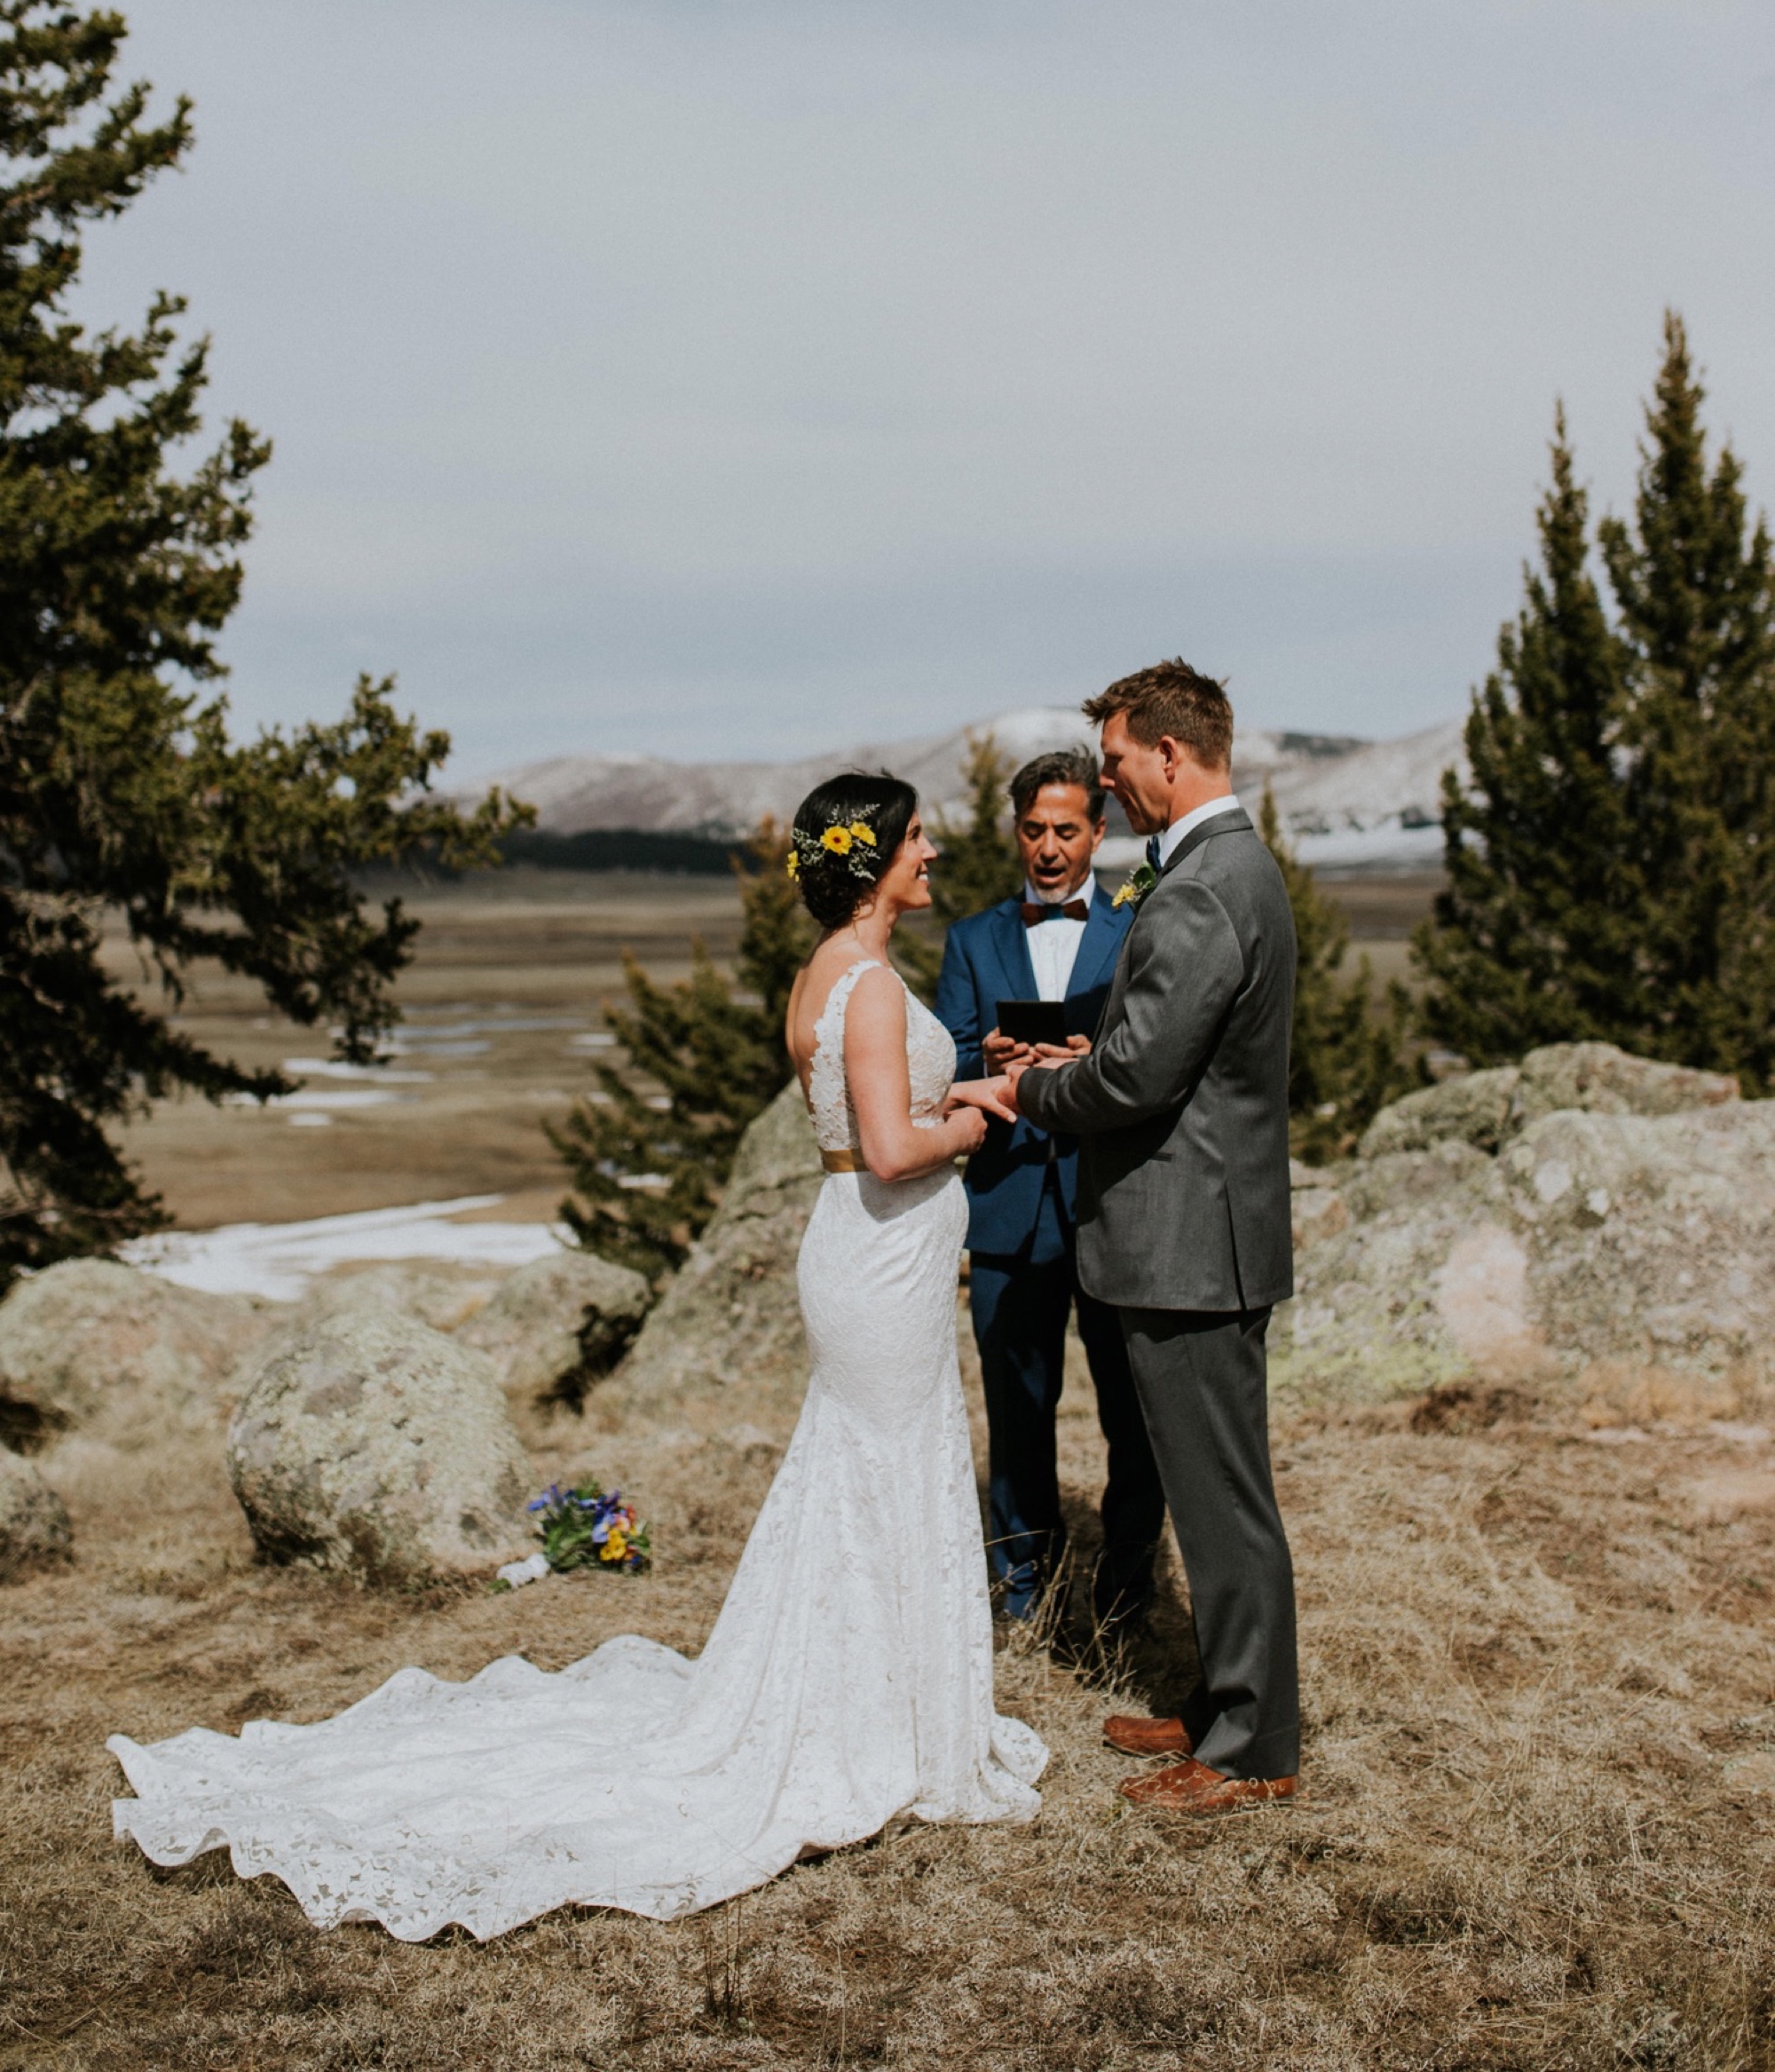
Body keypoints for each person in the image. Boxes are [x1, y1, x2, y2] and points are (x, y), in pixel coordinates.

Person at [109, 775, 1045, 1937]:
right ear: (871, 864)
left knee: (867, 1469)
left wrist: (950, 1077)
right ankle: (870, 1723)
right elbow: (893, 1145)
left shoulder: (831, 977)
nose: (934, 848)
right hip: (879, 1256)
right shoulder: (862, 987)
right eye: (915, 836)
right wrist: (979, 1112)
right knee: (880, 1463)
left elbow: (865, 1111)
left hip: (868, 1256)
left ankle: (879, 1706)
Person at [1006, 660, 1301, 1818]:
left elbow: (1135, 1076)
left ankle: (1251, 1751)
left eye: (1120, 765)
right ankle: (1227, 1702)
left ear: (1171, 756)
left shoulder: (1202, 886)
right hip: (1200, 1234)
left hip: (1190, 1245)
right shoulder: (1225, 869)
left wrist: (1032, 1094)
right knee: (1210, 1489)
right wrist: (1078, 1062)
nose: (1114, 786)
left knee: (1224, 1505)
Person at [934, 747, 1164, 1627]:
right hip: (1005, 1211)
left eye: (1065, 829)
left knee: (1131, 1413)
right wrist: (981, 1056)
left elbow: (1154, 1052)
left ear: (1097, 832)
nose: (1047, 846)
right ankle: (1020, 1590)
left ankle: (1126, 1590)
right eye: (1032, 829)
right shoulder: (971, 937)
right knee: (1016, 1411)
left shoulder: (1135, 926)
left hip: (1111, 1203)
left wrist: (1090, 1064)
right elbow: (944, 1058)